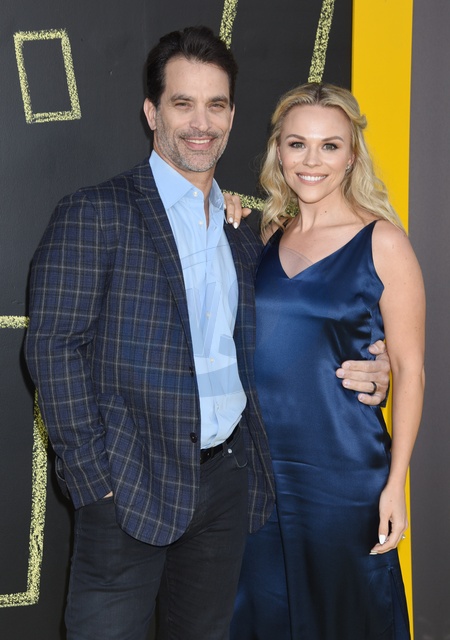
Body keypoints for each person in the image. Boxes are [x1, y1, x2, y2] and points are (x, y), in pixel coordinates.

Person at [25, 26, 390, 640]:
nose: (201, 123)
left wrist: (376, 365)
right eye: (183, 103)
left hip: (226, 488)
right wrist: (94, 483)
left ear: (232, 116)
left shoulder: (244, 232)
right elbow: (52, 348)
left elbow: (291, 332)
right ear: (152, 113)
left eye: (215, 105)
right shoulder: (97, 212)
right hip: (128, 488)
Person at [231, 83, 425, 639]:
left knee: (349, 616)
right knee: (262, 615)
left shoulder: (383, 242)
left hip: (344, 471)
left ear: (352, 155)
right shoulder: (265, 236)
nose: (311, 161)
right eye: (298, 144)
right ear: (279, 151)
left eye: (330, 146)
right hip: (260, 474)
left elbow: (410, 370)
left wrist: (396, 484)